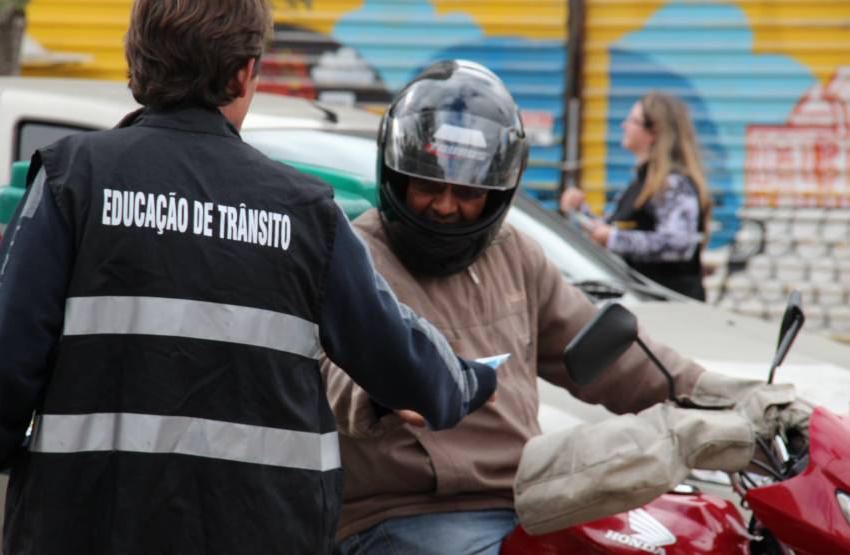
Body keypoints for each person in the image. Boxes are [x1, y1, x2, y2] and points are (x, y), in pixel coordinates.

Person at [0, 3, 495, 554]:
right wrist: (469, 381)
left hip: (84, 529)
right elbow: (400, 357)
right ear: (243, 72)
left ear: (136, 59)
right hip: (265, 532)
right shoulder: (305, 212)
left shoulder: (74, 180)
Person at [321, 61, 806, 555]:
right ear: (395, 175)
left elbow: (611, 355)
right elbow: (335, 379)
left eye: (467, 192)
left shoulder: (516, 256)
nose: (445, 207)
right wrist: (390, 388)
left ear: (496, 193)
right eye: (427, 186)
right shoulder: (354, 259)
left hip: (530, 501)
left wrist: (738, 399)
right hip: (411, 515)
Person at [560, 92, 712, 300]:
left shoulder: (674, 184)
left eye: (632, 120)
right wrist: (582, 211)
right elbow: (617, 229)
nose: (624, 125)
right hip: (647, 303)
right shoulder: (641, 183)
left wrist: (613, 238)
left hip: (672, 310)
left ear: (654, 131)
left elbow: (678, 245)